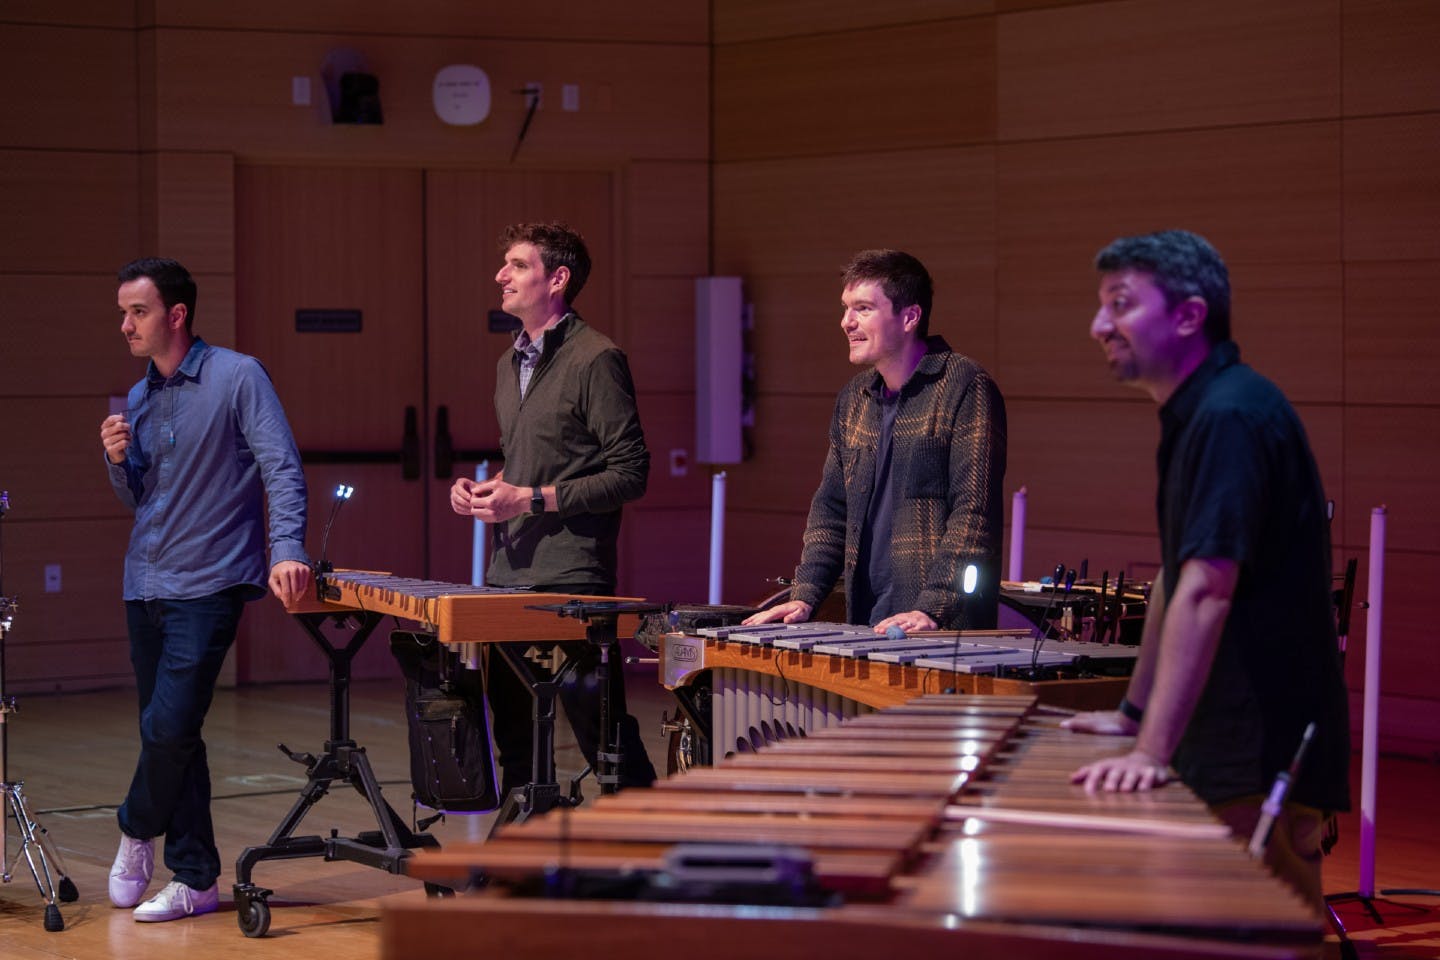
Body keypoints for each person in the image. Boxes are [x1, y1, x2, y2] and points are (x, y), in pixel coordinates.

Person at [1064, 229, 1349, 910]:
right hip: (1227, 739)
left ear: (1190, 316)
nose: (1099, 325)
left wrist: (1150, 754)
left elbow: (1205, 594)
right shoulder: (1197, 414)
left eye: (1122, 304)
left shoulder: (1230, 416)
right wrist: (1133, 716)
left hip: (1259, 745)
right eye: (1102, 305)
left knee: (1258, 938)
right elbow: (1174, 578)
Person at [100, 257, 311, 922]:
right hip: (145, 582)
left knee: (167, 725)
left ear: (177, 314)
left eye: (137, 312)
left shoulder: (237, 376)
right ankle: (195, 879)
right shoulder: (139, 399)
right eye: (123, 314)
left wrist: (286, 550)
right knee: (174, 732)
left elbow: (281, 466)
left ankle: (136, 829)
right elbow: (142, 497)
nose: (126, 325)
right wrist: (116, 462)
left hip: (211, 580)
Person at [449, 222, 656, 802]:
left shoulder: (597, 358)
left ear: (557, 279)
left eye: (517, 265)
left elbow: (631, 473)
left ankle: (646, 853)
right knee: (515, 746)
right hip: (506, 578)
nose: (501, 276)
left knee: (604, 737)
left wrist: (533, 498)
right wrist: (483, 491)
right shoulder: (505, 364)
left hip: (571, 583)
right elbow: (536, 461)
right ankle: (526, 861)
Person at [744, 249, 1006, 634]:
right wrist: (805, 594)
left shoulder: (965, 386)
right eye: (846, 308)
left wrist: (933, 608)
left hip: (939, 626)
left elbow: (973, 515)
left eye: (863, 308)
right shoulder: (854, 399)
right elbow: (831, 510)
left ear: (910, 317)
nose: (846, 322)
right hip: (867, 622)